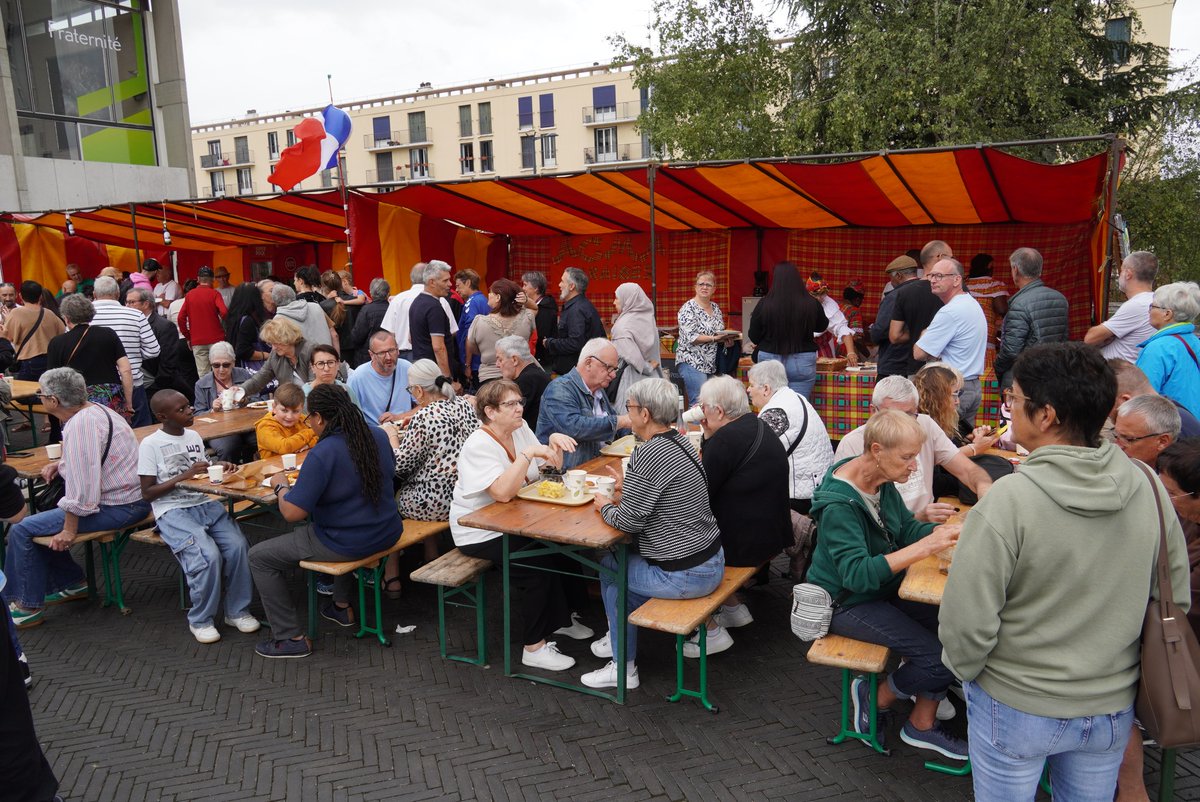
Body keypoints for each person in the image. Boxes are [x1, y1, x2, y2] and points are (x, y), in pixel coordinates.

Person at [940, 343, 1190, 800]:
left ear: (1047, 415)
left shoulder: (1009, 500)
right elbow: (1174, 595)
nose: (1008, 410)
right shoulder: (1147, 485)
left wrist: (969, 674)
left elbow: (966, 622)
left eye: (1013, 400)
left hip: (1016, 702)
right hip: (1111, 707)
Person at [808, 409, 966, 759]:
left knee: (954, 633)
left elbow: (906, 529)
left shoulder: (879, 480)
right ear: (876, 450)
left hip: (881, 589)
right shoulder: (839, 504)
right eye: (907, 457)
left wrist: (945, 533)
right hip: (845, 601)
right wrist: (925, 546)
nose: (914, 466)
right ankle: (874, 696)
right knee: (936, 659)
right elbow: (857, 575)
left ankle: (921, 726)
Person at [584, 377, 725, 689]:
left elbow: (628, 523)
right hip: (711, 559)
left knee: (611, 573)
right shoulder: (681, 441)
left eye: (630, 408)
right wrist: (627, 490)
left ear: (645, 414)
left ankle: (623, 667)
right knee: (613, 569)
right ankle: (618, 641)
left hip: (687, 574)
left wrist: (606, 504)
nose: (628, 414)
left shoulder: (647, 453)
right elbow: (658, 497)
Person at [252, 384, 404, 658]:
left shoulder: (323, 453)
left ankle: (289, 637)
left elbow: (291, 514)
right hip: (388, 530)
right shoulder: (378, 436)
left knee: (259, 556)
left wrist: (280, 486)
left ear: (319, 418)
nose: (308, 422)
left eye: (309, 417)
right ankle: (339, 605)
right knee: (331, 527)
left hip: (347, 541)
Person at [3, 368, 152, 629]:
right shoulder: (96, 410)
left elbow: (82, 489)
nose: (40, 398)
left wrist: (69, 530)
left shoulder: (80, 425)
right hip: (130, 499)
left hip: (120, 505)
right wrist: (62, 463)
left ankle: (27, 605)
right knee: (38, 523)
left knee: (22, 529)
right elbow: (91, 459)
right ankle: (70, 583)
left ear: (54, 401)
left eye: (42, 394)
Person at [449, 379, 581, 671]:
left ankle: (561, 620)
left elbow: (541, 469)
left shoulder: (520, 429)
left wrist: (553, 447)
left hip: (512, 519)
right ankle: (533, 647)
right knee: (534, 564)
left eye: (520, 402)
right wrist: (529, 454)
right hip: (477, 529)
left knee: (562, 549)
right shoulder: (478, 444)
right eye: (511, 404)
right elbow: (502, 492)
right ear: (491, 411)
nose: (520, 408)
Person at [138, 390, 257, 643]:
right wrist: (185, 475)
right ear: (163, 416)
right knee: (207, 555)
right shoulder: (150, 444)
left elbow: (200, 472)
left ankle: (237, 610)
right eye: (181, 409)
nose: (189, 411)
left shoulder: (193, 435)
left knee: (238, 547)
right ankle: (200, 619)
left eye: (188, 406)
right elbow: (147, 493)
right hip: (172, 510)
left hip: (204, 502)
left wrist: (219, 467)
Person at [686, 375, 790, 656]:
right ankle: (733, 608)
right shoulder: (756, 423)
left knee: (677, 543)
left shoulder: (725, 440)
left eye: (703, 406)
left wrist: (707, 438)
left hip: (744, 544)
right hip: (772, 533)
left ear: (718, 411)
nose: (699, 410)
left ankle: (710, 631)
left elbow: (699, 491)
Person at [379, 359, 479, 595]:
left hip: (434, 503)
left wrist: (392, 436)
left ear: (418, 390)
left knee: (389, 502)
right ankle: (430, 555)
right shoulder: (463, 406)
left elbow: (399, 466)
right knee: (423, 486)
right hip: (462, 496)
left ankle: (391, 575)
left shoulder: (424, 416)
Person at [835, 376, 992, 522]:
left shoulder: (925, 424)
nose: (902, 422)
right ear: (873, 411)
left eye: (909, 414)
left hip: (921, 527)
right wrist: (918, 518)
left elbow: (967, 470)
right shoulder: (852, 444)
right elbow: (855, 520)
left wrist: (985, 490)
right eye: (893, 415)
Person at [747, 359, 834, 514]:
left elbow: (755, 455)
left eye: (752, 385)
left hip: (802, 495)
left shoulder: (777, 411)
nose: (748, 390)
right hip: (817, 484)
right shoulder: (793, 397)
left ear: (766, 389)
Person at [536, 338, 632, 469]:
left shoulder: (598, 389)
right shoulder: (560, 388)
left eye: (615, 369)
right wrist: (621, 421)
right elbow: (575, 428)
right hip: (568, 475)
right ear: (588, 363)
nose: (614, 375)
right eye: (609, 368)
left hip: (598, 465)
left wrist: (637, 431)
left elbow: (619, 428)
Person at [913, 257, 988, 426]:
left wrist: (925, 332)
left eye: (939, 276)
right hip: (971, 386)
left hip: (954, 389)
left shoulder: (950, 311)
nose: (932, 280)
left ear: (956, 279)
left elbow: (918, 353)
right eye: (931, 275)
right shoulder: (971, 303)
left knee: (942, 444)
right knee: (960, 444)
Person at [46, 294, 136, 422]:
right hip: (111, 398)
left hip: (76, 400)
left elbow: (52, 381)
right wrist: (128, 403)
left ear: (66, 318)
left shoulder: (57, 343)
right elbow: (125, 369)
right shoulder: (108, 334)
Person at [748, 262, 828, 398]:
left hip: (770, 361)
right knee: (798, 407)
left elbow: (754, 336)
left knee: (772, 408)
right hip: (802, 361)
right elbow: (822, 326)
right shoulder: (811, 303)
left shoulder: (764, 304)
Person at [991, 248, 1068, 389]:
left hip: (1023, 377)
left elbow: (1010, 352)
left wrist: (997, 367)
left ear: (1015, 270)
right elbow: (1063, 341)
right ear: (1039, 270)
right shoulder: (1060, 299)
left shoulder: (1019, 304)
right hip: (1052, 373)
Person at [91, 275, 159, 426]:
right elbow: (154, 350)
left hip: (95, 386)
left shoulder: (83, 317)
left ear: (95, 295)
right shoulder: (135, 315)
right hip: (133, 381)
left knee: (104, 431)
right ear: (117, 294)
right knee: (139, 430)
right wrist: (133, 355)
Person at [1136, 281, 1200, 418]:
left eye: (1152, 306)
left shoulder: (1158, 348)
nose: (1149, 311)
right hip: (1193, 424)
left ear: (1167, 314)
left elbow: (1142, 398)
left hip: (1170, 426)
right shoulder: (1195, 341)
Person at [1085, 250, 1159, 362]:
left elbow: (1090, 338)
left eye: (1121, 270)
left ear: (1128, 274)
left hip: (1118, 374)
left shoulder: (1136, 305)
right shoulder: (1156, 300)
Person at [888, 241, 948, 378]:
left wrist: (916, 333)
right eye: (951, 257)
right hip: (947, 369)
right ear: (939, 257)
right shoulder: (955, 290)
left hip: (916, 368)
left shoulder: (905, 292)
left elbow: (894, 336)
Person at [675, 271, 735, 406]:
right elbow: (692, 337)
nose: (704, 287)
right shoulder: (688, 308)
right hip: (692, 361)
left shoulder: (716, 308)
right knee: (699, 403)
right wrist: (714, 338)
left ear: (714, 289)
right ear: (695, 287)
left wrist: (726, 341)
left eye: (709, 285)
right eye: (701, 284)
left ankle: (705, 428)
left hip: (711, 364)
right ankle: (695, 427)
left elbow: (719, 332)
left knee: (710, 403)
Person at [193, 341, 258, 463]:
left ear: (233, 363)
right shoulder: (202, 384)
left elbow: (258, 401)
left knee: (261, 439)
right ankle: (227, 476)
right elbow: (197, 416)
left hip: (245, 424)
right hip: (219, 429)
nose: (221, 369)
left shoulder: (243, 374)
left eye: (226, 365)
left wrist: (244, 400)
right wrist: (212, 410)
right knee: (228, 447)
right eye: (216, 365)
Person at [465, 279, 535, 389]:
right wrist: (526, 301)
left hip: (489, 380)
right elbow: (535, 308)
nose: (488, 295)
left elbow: (472, 349)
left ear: (498, 298)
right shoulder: (527, 317)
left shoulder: (479, 322)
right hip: (521, 377)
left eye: (491, 292)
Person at [1107, 358, 1200, 439]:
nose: (1107, 414)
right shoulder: (1170, 416)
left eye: (1128, 439)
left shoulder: (1168, 425)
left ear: (1125, 400)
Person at [127, 286, 189, 402]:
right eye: (127, 302)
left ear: (145, 304)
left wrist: (157, 384)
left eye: (132, 302)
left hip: (158, 386)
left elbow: (168, 360)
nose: (127, 306)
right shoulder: (130, 325)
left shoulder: (164, 326)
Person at [541, 267, 606, 375]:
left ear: (572, 286)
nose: (559, 285)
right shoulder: (580, 305)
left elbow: (575, 343)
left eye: (562, 281)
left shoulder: (577, 310)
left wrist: (550, 343)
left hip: (576, 373)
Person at [608, 283, 662, 410]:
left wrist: (647, 367)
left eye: (617, 298)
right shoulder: (648, 319)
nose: (614, 302)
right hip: (654, 383)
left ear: (628, 300)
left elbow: (631, 357)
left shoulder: (622, 326)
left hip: (632, 382)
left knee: (631, 422)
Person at [409, 261, 462, 387]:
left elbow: (410, 338)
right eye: (445, 281)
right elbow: (438, 347)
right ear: (432, 282)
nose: (450, 284)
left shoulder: (416, 303)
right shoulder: (434, 307)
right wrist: (447, 381)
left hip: (422, 371)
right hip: (435, 377)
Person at [3, 280, 66, 381]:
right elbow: (62, 332)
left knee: (27, 394)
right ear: (40, 296)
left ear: (20, 296)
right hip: (50, 360)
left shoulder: (16, 313)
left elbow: (7, 337)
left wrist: (6, 321)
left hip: (28, 361)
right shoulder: (49, 313)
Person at [239, 318, 316, 397]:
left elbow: (314, 384)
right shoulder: (275, 355)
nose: (273, 348)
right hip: (291, 403)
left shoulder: (310, 351)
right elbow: (259, 379)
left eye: (276, 343)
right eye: (270, 344)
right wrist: (240, 390)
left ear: (287, 338)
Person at [347, 330, 412, 424]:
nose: (388, 357)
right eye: (382, 353)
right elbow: (350, 415)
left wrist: (398, 417)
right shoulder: (357, 378)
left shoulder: (407, 368)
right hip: (375, 433)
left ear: (398, 350)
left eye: (391, 350)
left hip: (405, 430)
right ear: (371, 355)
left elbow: (425, 405)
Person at [871, 255, 920, 378]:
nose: (891, 282)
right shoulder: (927, 291)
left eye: (891, 278)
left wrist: (872, 332)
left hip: (895, 362)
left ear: (898, 276)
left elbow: (880, 331)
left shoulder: (895, 296)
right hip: (918, 361)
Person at [177, 266, 229, 376]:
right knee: (221, 372)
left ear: (198, 279)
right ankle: (222, 393)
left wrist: (188, 336)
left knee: (203, 375)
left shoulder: (190, 295)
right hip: (217, 339)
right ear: (212, 280)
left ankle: (207, 393)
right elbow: (224, 312)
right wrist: (226, 328)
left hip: (197, 341)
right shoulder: (215, 294)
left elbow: (180, 318)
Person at [495, 334, 550, 428]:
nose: (497, 365)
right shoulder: (532, 375)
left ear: (514, 360)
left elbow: (507, 415)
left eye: (500, 360)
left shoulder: (528, 380)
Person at [1113, 394, 1181, 469]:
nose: (1117, 445)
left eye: (1128, 439)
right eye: (1115, 435)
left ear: (1162, 441)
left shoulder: (1176, 478)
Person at [255, 383, 317, 460]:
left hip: (302, 463)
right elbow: (285, 447)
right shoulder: (264, 427)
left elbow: (323, 435)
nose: (289, 416)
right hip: (276, 469)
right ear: (274, 407)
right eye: (284, 410)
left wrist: (309, 444)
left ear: (302, 409)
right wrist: (312, 431)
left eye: (295, 411)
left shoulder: (302, 419)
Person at [381, 263, 429, 360]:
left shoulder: (398, 299)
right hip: (429, 352)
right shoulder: (437, 299)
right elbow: (451, 330)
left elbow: (390, 332)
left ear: (411, 278)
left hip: (402, 354)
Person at [808, 275, 859, 366]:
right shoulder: (798, 303)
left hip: (823, 352)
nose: (820, 298)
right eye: (816, 294)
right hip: (802, 352)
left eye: (822, 294)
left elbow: (841, 327)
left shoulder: (828, 304)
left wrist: (851, 352)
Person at [271, 283, 336, 350]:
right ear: (294, 295)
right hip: (328, 356)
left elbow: (279, 347)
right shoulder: (316, 306)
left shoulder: (278, 319)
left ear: (274, 301)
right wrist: (336, 357)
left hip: (302, 359)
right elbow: (334, 335)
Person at [223, 282, 271, 372]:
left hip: (236, 368)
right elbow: (243, 351)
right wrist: (266, 355)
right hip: (250, 370)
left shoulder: (233, 317)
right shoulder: (248, 321)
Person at [965, 253, 1010, 346]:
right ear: (990, 265)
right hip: (985, 335)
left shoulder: (963, 284)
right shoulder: (994, 285)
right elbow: (1002, 309)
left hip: (962, 334)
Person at [455, 269, 490, 383]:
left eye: (458, 286)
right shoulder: (484, 300)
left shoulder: (472, 302)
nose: (456, 290)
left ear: (468, 283)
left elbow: (470, 335)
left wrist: (467, 364)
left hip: (475, 362)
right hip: (483, 359)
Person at [347, 278, 390, 366]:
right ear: (388, 293)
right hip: (389, 355)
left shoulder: (366, 310)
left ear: (371, 292)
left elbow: (357, 336)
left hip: (368, 357)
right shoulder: (392, 308)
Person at [520, 270, 558, 365]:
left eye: (525, 285)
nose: (522, 288)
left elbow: (540, 334)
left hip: (542, 359)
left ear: (536, 288)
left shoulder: (545, 308)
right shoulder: (533, 306)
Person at [319, 270, 356, 357]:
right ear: (340, 283)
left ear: (323, 287)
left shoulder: (322, 306)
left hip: (334, 351)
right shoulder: (355, 301)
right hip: (355, 350)